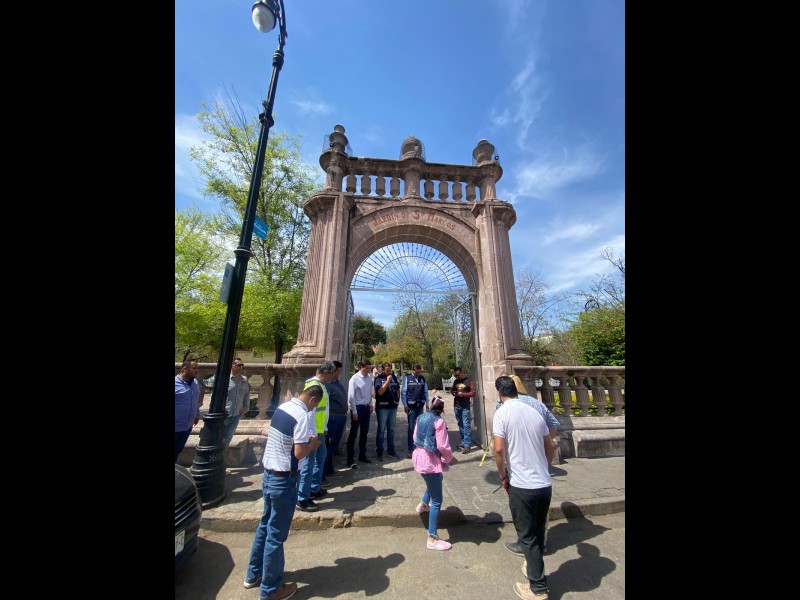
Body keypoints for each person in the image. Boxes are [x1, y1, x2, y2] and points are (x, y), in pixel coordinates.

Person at [244, 384, 323, 600]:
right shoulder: (302, 415)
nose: (312, 409)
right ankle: (272, 589)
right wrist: (312, 445)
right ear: (312, 400)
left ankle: (253, 573)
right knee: (276, 535)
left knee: (264, 524)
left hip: (269, 474)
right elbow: (298, 452)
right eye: (314, 406)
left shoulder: (283, 408)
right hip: (284, 479)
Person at [493, 376, 554, 600]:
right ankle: (532, 567)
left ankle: (538, 588)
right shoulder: (535, 411)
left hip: (522, 485)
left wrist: (502, 475)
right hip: (544, 483)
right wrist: (545, 467)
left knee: (527, 537)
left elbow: (499, 450)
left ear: (500, 393)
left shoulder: (503, 413)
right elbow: (550, 445)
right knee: (538, 533)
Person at [411, 395, 458, 550]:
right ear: (442, 409)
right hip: (430, 460)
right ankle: (432, 538)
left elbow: (414, 436)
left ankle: (423, 504)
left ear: (430, 405)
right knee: (437, 499)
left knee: (436, 480)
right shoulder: (439, 422)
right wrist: (450, 458)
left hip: (419, 456)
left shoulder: (420, 417)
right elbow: (442, 445)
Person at [296, 361, 337, 512]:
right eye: (332, 373)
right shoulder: (314, 386)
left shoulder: (321, 385)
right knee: (309, 464)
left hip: (319, 430)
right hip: (313, 432)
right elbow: (310, 411)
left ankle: (313, 488)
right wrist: (312, 434)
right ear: (326, 373)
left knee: (320, 458)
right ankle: (302, 498)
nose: (333, 376)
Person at [346, 360, 374, 467]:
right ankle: (350, 458)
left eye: (369, 368)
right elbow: (351, 396)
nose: (368, 370)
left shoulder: (369, 378)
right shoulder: (354, 378)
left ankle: (362, 454)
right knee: (354, 433)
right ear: (360, 367)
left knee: (364, 432)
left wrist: (370, 404)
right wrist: (354, 411)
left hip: (366, 408)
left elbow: (369, 392)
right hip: (358, 408)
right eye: (366, 368)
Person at [323, 360, 348, 478]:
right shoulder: (327, 386)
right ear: (332, 372)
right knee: (329, 445)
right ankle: (324, 470)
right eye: (338, 371)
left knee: (334, 445)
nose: (339, 374)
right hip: (333, 418)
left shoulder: (337, 384)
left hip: (340, 417)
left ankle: (329, 467)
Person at [401, 363, 429, 459]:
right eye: (416, 372)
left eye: (419, 372)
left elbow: (425, 391)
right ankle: (411, 449)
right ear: (413, 370)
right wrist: (405, 405)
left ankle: (420, 447)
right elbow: (404, 392)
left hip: (420, 405)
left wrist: (427, 403)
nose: (418, 373)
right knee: (411, 428)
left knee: (420, 427)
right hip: (411, 407)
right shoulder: (407, 378)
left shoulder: (422, 379)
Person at [223, 358, 250, 455]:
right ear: (232, 366)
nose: (241, 367)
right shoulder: (225, 379)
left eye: (242, 365)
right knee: (219, 438)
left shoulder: (244, 380)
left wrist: (246, 407)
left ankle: (222, 458)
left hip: (236, 414)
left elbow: (246, 394)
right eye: (238, 365)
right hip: (224, 414)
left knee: (228, 438)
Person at [374, 362, 401, 460]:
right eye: (387, 370)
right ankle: (379, 452)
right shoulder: (378, 379)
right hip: (382, 408)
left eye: (390, 370)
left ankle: (391, 450)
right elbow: (380, 392)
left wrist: (397, 400)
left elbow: (398, 389)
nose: (389, 372)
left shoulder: (394, 377)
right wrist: (387, 381)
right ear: (382, 370)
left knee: (391, 429)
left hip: (392, 407)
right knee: (381, 430)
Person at [175, 359, 200, 462]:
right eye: (194, 368)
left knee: (177, 451)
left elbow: (195, 400)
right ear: (185, 369)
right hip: (176, 426)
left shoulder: (195, 383)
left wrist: (197, 414)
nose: (196, 370)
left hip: (187, 426)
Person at [451, 366, 476, 453]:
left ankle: (467, 445)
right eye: (456, 375)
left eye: (458, 375)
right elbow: (452, 391)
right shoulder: (456, 381)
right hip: (457, 405)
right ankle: (463, 441)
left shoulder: (469, 381)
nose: (457, 377)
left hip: (465, 406)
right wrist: (454, 393)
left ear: (462, 373)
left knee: (466, 424)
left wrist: (464, 394)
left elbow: (473, 392)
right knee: (460, 423)